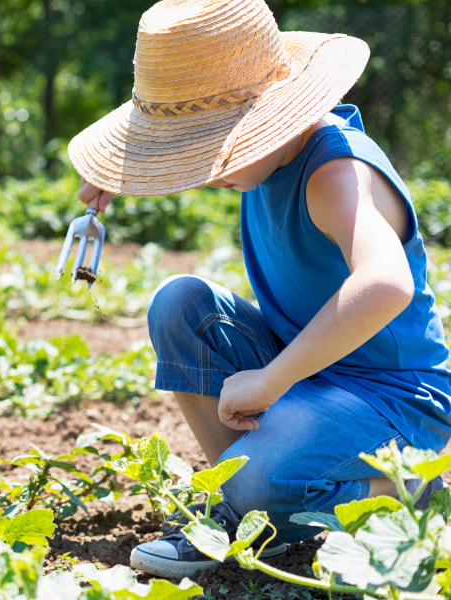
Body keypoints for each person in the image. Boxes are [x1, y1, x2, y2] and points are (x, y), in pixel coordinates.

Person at [69, 0, 451, 579]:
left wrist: (273, 380)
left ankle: (409, 493)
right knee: (181, 304)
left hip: (392, 398)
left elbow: (386, 283)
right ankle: (240, 510)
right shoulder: (272, 159)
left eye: (207, 146)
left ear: (268, 117)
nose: (203, 168)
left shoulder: (333, 174)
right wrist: (128, 168)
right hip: (315, 370)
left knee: (263, 480)